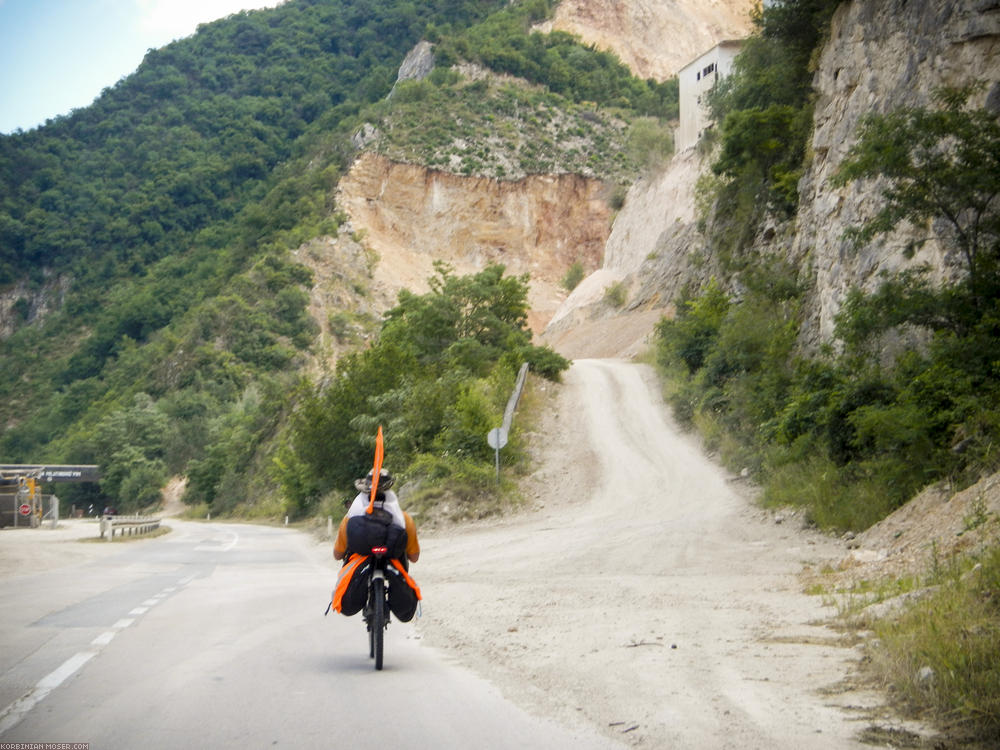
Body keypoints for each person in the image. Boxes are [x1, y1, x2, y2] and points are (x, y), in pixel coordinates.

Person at [333, 468, 420, 564]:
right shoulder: (404, 519)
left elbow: (338, 555)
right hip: (394, 572)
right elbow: (414, 557)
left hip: (358, 571)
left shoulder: (350, 518)